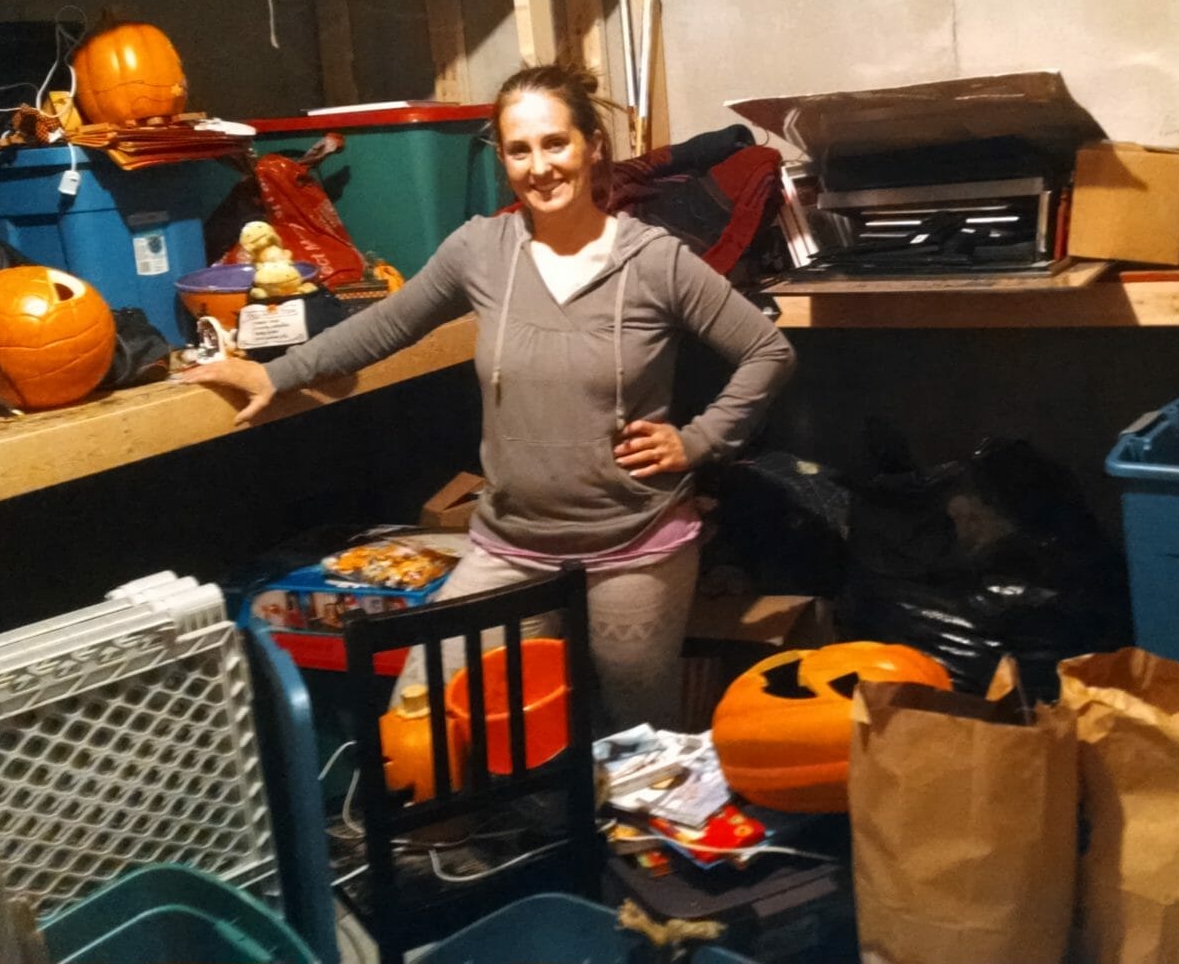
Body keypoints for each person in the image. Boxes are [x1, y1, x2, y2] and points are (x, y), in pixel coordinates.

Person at [181, 64, 796, 729]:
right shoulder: (481, 249)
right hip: (511, 546)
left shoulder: (654, 260)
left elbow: (768, 351)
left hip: (635, 544)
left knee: (632, 737)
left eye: (555, 143)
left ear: (593, 147)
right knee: (425, 722)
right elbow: (387, 324)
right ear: (503, 158)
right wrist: (275, 375)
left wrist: (699, 439)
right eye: (519, 149)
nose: (540, 166)